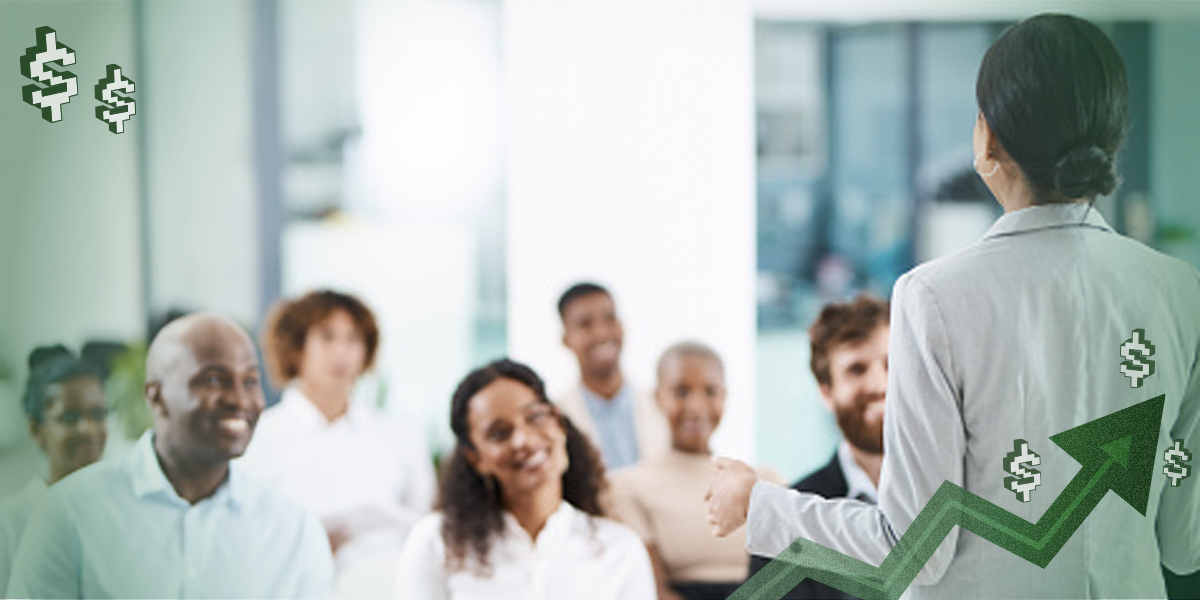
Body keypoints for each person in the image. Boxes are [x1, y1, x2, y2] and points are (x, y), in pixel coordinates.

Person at [706, 13, 1200, 599]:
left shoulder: (934, 298)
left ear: (987, 137)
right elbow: (1185, 539)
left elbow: (914, 550)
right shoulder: (1181, 291)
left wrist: (758, 504)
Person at [6, 313, 333, 599]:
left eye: (250, 380)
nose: (239, 399)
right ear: (156, 396)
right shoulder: (68, 514)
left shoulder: (295, 531)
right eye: (214, 379)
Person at [395, 358, 655, 600]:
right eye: (499, 434)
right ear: (476, 458)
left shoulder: (620, 549)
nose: (524, 441)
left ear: (559, 426)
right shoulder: (438, 541)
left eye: (535, 417)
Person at [238, 290, 435, 575]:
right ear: (296, 348)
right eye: (327, 337)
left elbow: (424, 528)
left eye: (353, 339)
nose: (342, 352)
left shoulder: (400, 434)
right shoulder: (259, 440)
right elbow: (244, 540)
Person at [746, 295, 889, 600]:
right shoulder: (784, 521)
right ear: (826, 392)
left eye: (892, 365)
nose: (879, 385)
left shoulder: (961, 491)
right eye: (857, 369)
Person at [609, 342, 753, 600]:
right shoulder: (628, 486)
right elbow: (653, 589)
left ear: (725, 396)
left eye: (710, 391)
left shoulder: (761, 480)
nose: (696, 406)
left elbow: (797, 572)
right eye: (681, 392)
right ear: (657, 397)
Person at [0, 346, 108, 594]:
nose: (88, 429)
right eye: (69, 417)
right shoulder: (8, 527)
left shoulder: (120, 513)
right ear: (35, 429)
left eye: (97, 414)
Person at [554, 282, 668, 470]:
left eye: (610, 318)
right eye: (585, 324)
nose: (601, 332)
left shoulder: (662, 405)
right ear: (566, 339)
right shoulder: (558, 418)